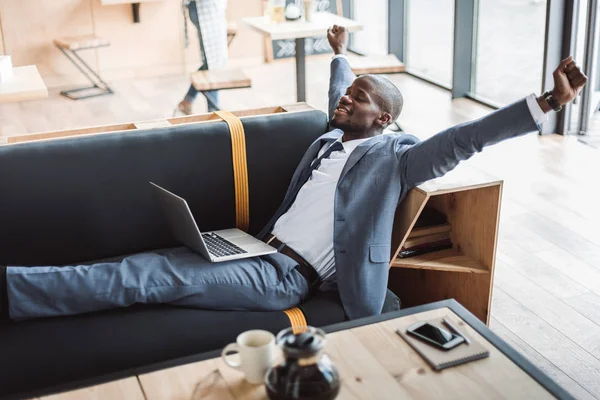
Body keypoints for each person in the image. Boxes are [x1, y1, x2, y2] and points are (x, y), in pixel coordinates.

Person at [0, 26, 587, 321]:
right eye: (347, 96)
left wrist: (545, 103)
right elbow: (340, 91)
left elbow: (465, 140)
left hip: (283, 276)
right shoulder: (335, 134)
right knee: (136, 263)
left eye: (357, 100)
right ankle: (37, 284)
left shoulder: (395, 158)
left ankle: (12, 292)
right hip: (252, 246)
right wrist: (338, 52)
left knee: (145, 278)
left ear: (381, 118)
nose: (343, 102)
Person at [177, 0, 229, 115]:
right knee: (212, 63)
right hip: (204, 8)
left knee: (214, 61)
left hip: (211, 8)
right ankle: (213, 109)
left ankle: (189, 101)